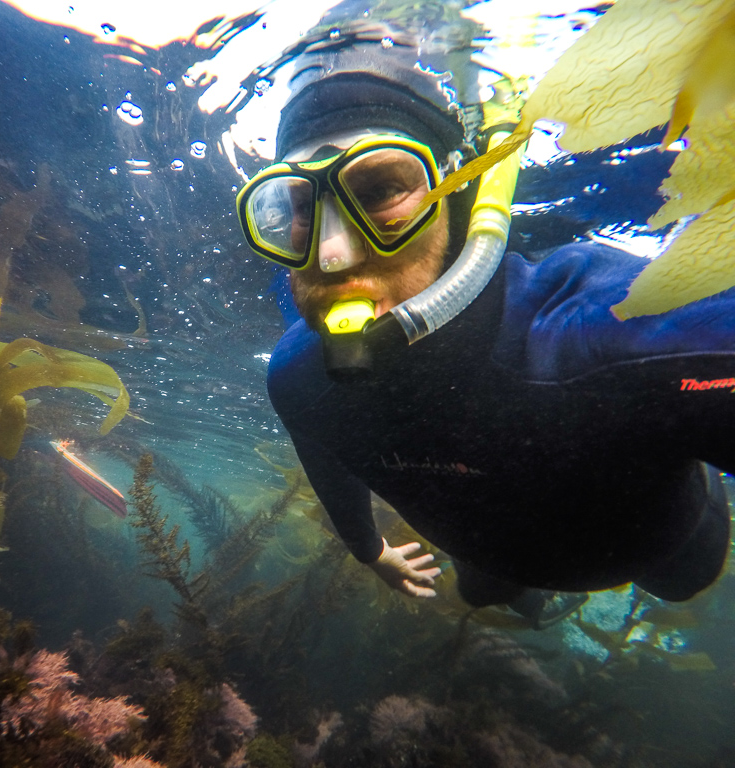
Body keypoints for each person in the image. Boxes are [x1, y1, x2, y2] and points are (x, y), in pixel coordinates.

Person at [236, 3, 733, 628]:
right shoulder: (295, 376)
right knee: (482, 593)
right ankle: (533, 602)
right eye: (302, 209)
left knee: (685, 581)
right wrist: (370, 551)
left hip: (668, 545)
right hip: (493, 557)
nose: (332, 254)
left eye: (381, 190)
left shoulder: (594, 328)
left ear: (459, 195)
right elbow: (327, 456)